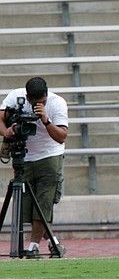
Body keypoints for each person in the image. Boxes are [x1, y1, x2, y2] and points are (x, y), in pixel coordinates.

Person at [0, 77, 68, 258]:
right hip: (24, 156)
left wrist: (46, 120)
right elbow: (0, 116)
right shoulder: (16, 96)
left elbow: (61, 136)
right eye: (35, 101)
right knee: (29, 208)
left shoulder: (57, 102)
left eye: (42, 101)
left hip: (50, 156)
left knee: (43, 202)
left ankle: (32, 246)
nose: (39, 104)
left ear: (46, 95)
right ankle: (54, 243)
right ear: (27, 96)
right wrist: (6, 132)